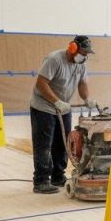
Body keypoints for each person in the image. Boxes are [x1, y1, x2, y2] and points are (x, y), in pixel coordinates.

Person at [30, 35, 96, 193]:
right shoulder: (55, 59)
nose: (85, 56)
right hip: (43, 107)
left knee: (64, 143)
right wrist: (55, 101)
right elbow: (41, 83)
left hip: (63, 108)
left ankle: (58, 176)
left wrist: (87, 98)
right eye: (83, 52)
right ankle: (41, 181)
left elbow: (82, 83)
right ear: (73, 48)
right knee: (44, 145)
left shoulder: (81, 64)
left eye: (87, 53)